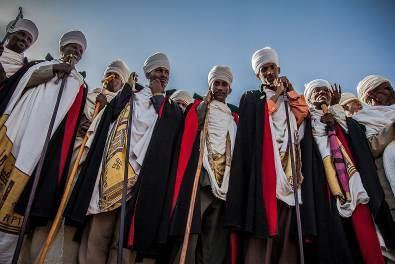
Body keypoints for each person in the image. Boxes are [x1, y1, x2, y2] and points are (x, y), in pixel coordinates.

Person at [64, 52, 183, 263]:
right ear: (148, 73)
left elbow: (170, 134)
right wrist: (126, 90)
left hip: (144, 181)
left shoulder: (172, 108)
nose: (162, 75)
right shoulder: (131, 95)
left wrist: (157, 98)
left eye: (166, 72)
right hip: (113, 171)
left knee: (125, 242)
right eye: (158, 70)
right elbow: (109, 117)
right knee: (98, 234)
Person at [0, 30, 88, 264]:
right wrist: (53, 70)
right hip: (19, 134)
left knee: (20, 201)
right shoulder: (40, 64)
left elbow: (75, 118)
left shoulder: (81, 83)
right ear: (62, 48)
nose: (75, 52)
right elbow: (21, 83)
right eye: (71, 47)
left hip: (44, 149)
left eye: (79, 50)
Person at [225, 47, 308, 263]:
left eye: (272, 67)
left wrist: (289, 92)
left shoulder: (290, 99)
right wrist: (278, 95)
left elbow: (302, 114)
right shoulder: (252, 97)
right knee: (263, 225)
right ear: (257, 74)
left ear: (278, 69)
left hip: (289, 165)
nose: (269, 72)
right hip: (265, 168)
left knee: (287, 227)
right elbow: (258, 121)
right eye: (264, 69)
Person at [303, 79, 395, 263]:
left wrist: (335, 117)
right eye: (317, 91)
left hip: (355, 187)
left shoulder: (349, 123)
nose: (322, 94)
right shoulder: (304, 123)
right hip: (323, 188)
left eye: (326, 91)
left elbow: (359, 145)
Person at [169, 65, 238, 263]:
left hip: (225, 180)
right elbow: (192, 127)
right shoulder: (200, 106)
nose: (220, 87)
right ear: (210, 85)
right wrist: (204, 104)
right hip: (203, 176)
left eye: (224, 84)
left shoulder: (233, 118)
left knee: (214, 237)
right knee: (191, 228)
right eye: (216, 83)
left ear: (229, 89)